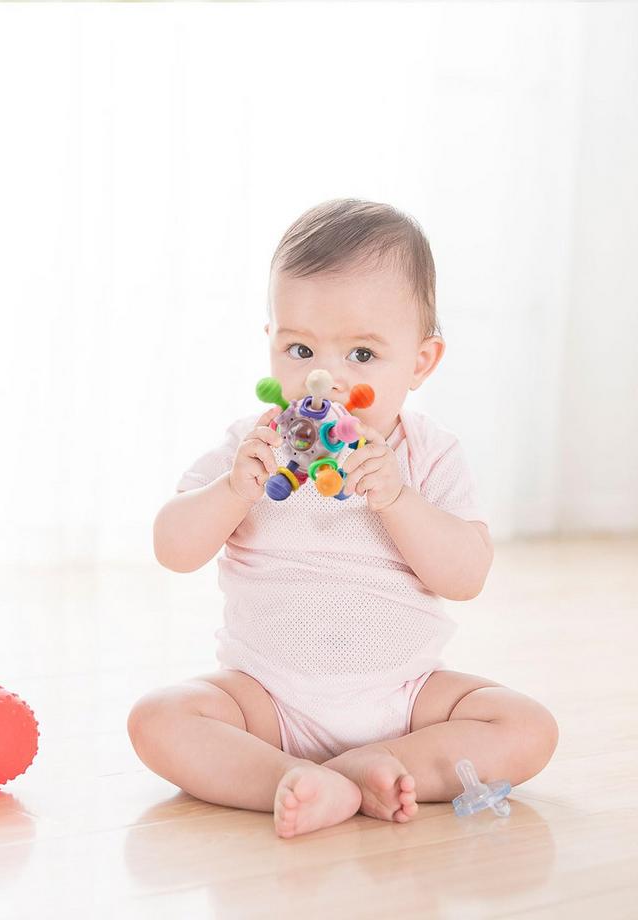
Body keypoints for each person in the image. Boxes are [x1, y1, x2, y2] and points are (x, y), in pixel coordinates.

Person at [128, 199, 559, 838]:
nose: (322, 378)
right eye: (299, 347)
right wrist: (230, 491)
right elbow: (173, 546)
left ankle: (374, 764)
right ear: (271, 344)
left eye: (362, 354)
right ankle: (291, 779)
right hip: (267, 700)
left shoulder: (428, 453)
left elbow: (466, 575)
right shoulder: (254, 443)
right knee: (158, 719)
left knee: (527, 728)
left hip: (406, 698)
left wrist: (398, 500)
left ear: (420, 361)